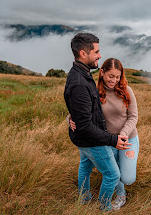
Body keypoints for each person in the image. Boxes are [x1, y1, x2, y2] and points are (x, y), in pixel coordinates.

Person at [64, 33, 130, 211]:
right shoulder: (79, 82)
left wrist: (71, 117)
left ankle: (84, 199)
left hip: (83, 138)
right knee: (112, 174)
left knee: (85, 166)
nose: (100, 55)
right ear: (83, 54)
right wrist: (112, 140)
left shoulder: (82, 74)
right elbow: (85, 126)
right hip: (91, 140)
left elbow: (81, 109)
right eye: (96, 51)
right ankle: (104, 208)